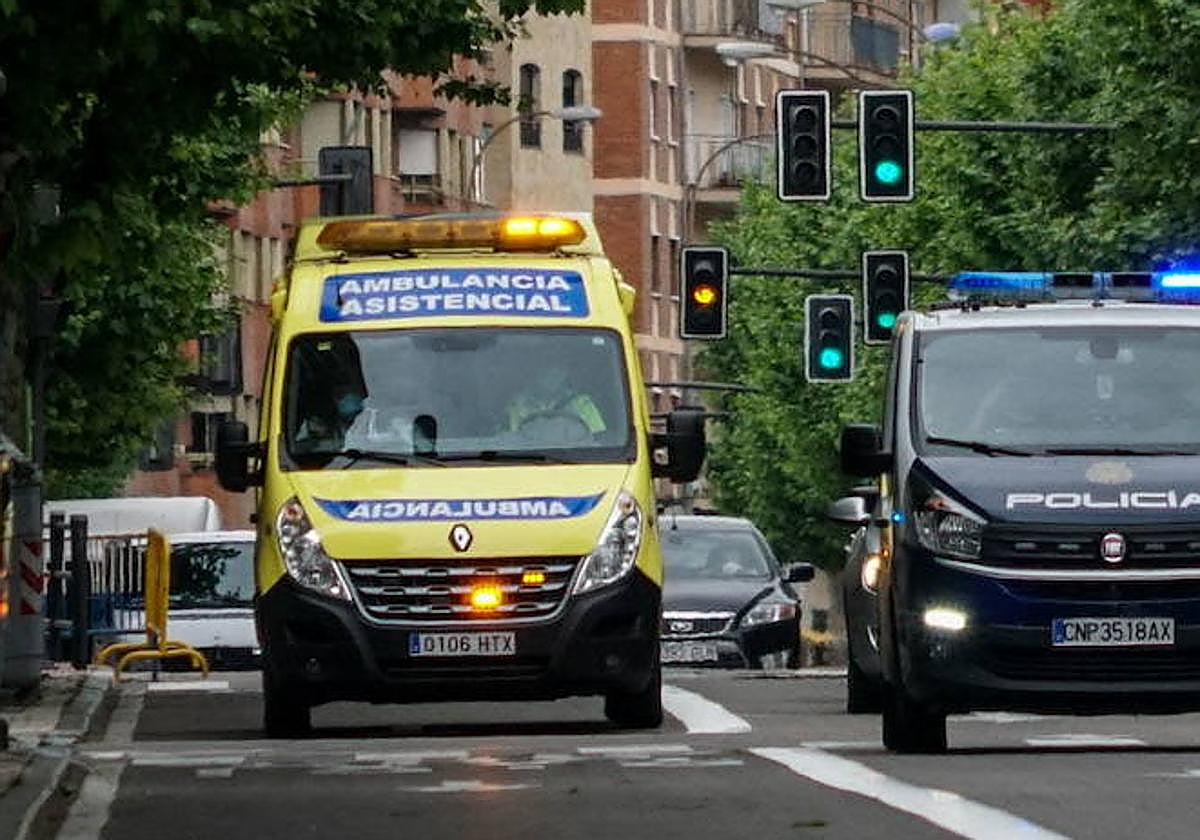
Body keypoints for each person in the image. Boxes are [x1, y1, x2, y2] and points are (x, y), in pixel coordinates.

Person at [506, 365, 606, 436]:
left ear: (565, 373)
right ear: (535, 373)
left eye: (558, 369)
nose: (552, 374)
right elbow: (514, 439)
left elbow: (597, 437)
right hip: (529, 459)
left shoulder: (582, 403)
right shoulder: (518, 404)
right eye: (545, 369)